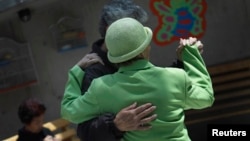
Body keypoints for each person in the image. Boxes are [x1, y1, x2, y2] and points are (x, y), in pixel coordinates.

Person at [61, 17, 214, 141]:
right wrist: (191, 56)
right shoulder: (175, 77)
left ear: (113, 56)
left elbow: (69, 112)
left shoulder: (101, 88)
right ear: (146, 47)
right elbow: (205, 97)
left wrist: (77, 71)